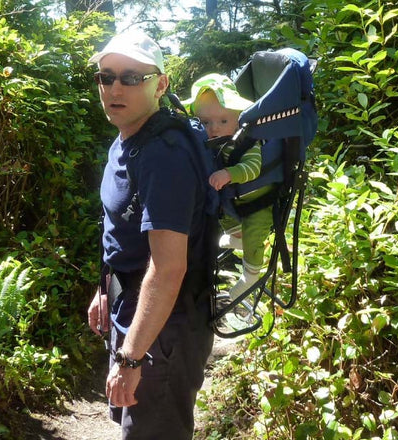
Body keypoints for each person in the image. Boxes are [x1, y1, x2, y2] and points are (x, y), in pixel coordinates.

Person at [87, 30, 214, 440]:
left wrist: (131, 359)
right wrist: (106, 289)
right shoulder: (126, 140)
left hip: (165, 331)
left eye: (131, 77)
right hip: (135, 313)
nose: (115, 88)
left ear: (160, 84)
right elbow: (122, 231)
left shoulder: (165, 155)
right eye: (106, 76)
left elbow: (168, 267)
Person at [183, 74, 274, 300]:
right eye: (205, 122)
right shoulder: (217, 143)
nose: (214, 128)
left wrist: (229, 174)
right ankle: (236, 236)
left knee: (254, 236)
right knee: (220, 211)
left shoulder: (246, 142)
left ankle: (251, 277)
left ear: (238, 119)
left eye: (223, 121)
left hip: (258, 202)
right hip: (234, 200)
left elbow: (253, 168)